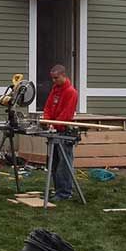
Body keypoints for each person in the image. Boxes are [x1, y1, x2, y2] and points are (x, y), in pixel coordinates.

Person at [42, 64, 79, 201]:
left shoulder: (71, 92)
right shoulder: (55, 90)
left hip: (63, 132)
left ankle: (65, 192)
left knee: (64, 164)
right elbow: (48, 106)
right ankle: (58, 190)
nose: (54, 81)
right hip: (54, 130)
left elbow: (66, 115)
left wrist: (54, 124)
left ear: (63, 76)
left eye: (56, 78)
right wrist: (46, 120)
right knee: (54, 163)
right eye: (52, 78)